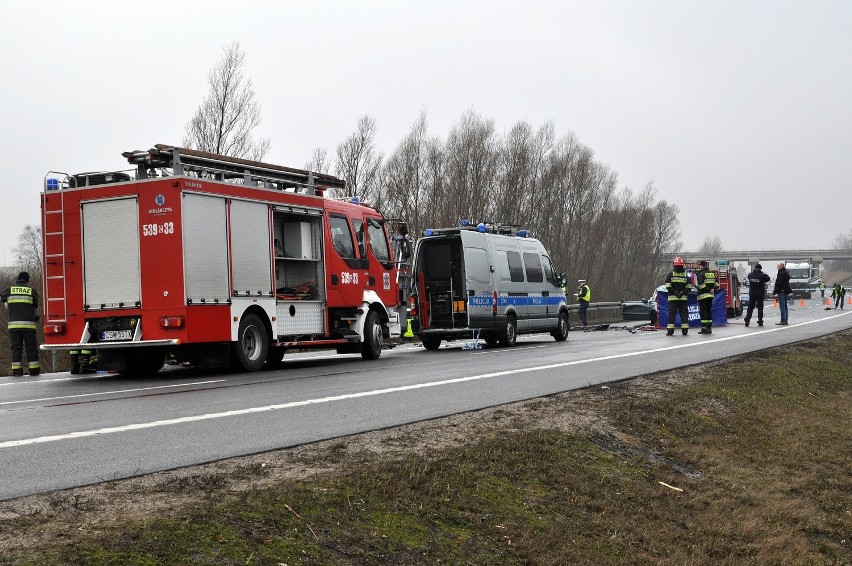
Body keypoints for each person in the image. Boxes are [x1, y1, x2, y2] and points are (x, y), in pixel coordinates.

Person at [0, 271, 40, 376]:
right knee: (31, 348)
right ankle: (34, 370)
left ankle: (17, 371)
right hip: (29, 326)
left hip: (13, 326)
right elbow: (35, 305)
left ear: (17, 279)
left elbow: (2, 297)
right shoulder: (32, 291)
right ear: (27, 280)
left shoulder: (10, 290)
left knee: (16, 348)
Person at [665, 257, 693, 336]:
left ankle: (670, 331)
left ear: (674, 265)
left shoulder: (670, 274)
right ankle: (685, 331)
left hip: (672, 299)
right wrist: (682, 293)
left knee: (671, 315)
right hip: (683, 299)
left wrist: (675, 293)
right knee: (684, 314)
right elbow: (689, 286)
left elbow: (668, 286)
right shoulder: (685, 275)